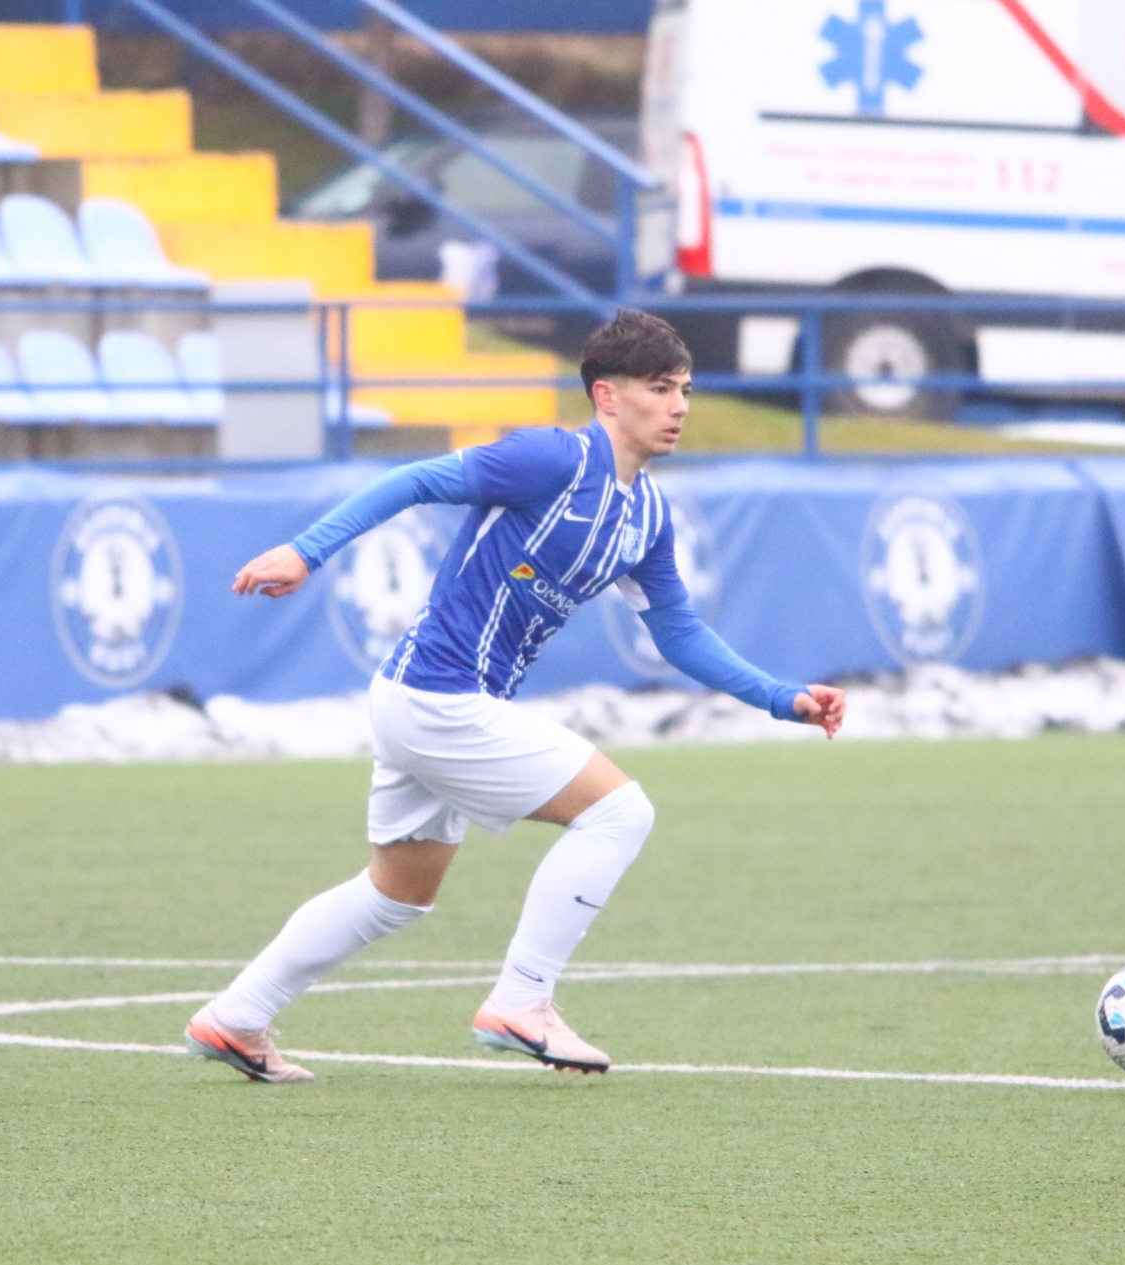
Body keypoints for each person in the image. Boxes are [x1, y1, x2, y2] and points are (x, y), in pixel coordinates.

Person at [185, 310, 845, 1083]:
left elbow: (678, 632)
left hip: (421, 702)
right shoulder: (552, 459)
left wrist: (781, 697)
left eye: (685, 390)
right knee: (620, 811)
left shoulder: (647, 514)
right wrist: (306, 551)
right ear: (607, 395)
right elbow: (417, 478)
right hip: (439, 697)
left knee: (396, 895)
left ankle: (236, 1016)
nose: (678, 406)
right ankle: (522, 1001)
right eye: (660, 388)